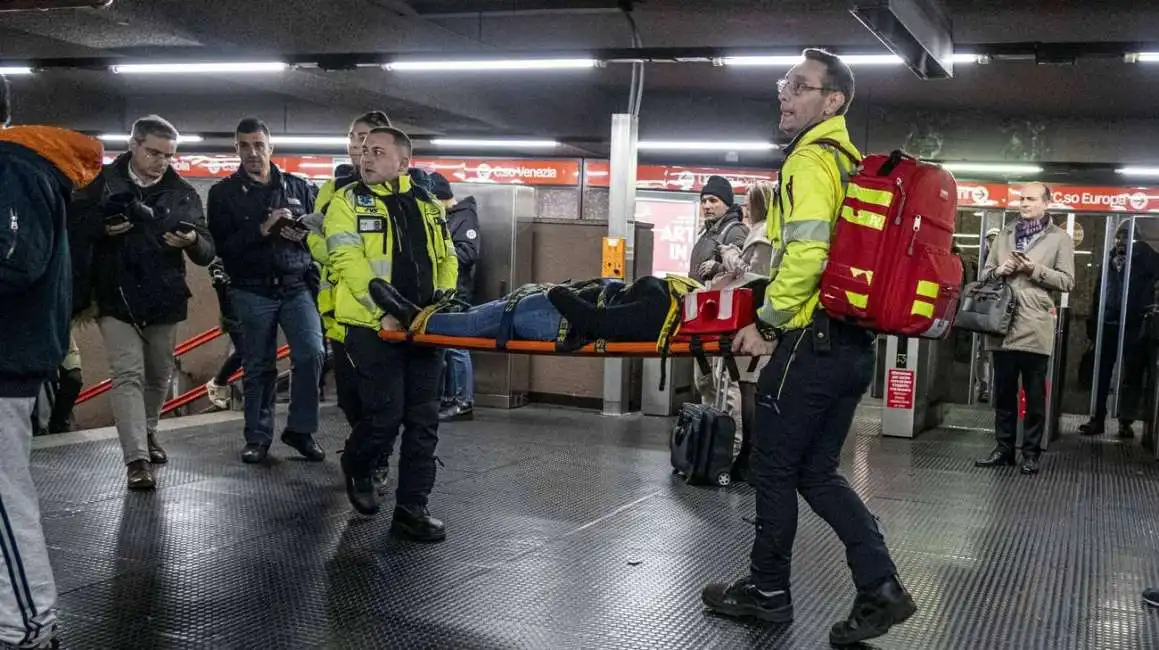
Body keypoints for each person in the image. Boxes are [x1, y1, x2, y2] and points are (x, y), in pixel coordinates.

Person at [700, 49, 916, 647]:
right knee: (816, 473)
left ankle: (767, 592)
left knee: (773, 467)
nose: (785, 94)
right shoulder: (851, 162)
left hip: (810, 341)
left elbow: (809, 255)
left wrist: (767, 323)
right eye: (783, 84)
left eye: (800, 86)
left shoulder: (810, 163)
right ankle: (880, 588)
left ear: (833, 101)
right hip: (850, 346)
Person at [0, 73, 105, 650]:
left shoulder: (12, 168)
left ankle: (26, 628)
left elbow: (16, 262)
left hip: (5, 360)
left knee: (3, 504)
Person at [325, 127, 457, 540]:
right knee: (385, 416)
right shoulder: (346, 203)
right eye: (363, 151)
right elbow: (348, 262)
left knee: (423, 422)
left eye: (377, 152)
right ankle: (358, 463)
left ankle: (411, 509)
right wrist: (383, 312)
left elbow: (448, 257)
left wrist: (442, 303)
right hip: (372, 327)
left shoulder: (427, 202)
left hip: (424, 328)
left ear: (403, 162)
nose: (366, 158)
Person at [70, 115, 215, 490]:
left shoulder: (182, 192)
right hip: (114, 295)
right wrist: (102, 229)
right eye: (153, 151)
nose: (161, 161)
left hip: (165, 295)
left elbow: (206, 250)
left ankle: (148, 432)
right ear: (132, 145)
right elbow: (72, 228)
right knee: (127, 375)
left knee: (157, 375)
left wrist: (191, 242)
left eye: (168, 155)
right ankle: (136, 458)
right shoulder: (98, 183)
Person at [207, 117, 326, 464]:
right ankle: (257, 437)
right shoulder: (223, 194)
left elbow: (319, 235)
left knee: (312, 353)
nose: (252, 152)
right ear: (236, 149)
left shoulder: (300, 187)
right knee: (259, 366)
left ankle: (301, 430)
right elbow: (221, 247)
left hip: (296, 287)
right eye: (244, 146)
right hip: (251, 290)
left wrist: (302, 234)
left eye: (258, 145)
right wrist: (263, 228)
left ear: (270, 147)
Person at [304, 110, 393, 490]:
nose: (359, 145)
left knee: (382, 398)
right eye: (354, 136)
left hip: (381, 311)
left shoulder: (394, 188)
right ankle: (366, 449)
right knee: (351, 398)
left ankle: (375, 461)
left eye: (367, 139)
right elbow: (315, 238)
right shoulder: (334, 186)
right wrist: (334, 254)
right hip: (339, 310)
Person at [974, 182, 1075, 475]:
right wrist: (998, 271)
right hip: (1001, 325)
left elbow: (1068, 282)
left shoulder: (1059, 239)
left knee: (1033, 396)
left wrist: (1033, 270)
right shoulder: (1005, 234)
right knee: (1003, 393)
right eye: (1022, 198)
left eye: (1031, 199)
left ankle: (1030, 453)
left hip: (1034, 326)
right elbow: (984, 272)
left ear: (1046, 203)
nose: (1025, 203)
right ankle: (1004, 449)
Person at [712, 180, 776, 479]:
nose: (746, 212)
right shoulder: (777, 231)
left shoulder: (762, 234)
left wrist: (728, 259)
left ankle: (748, 457)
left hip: (752, 324)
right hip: (766, 326)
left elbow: (753, 278)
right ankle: (753, 455)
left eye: (750, 206)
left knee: (746, 389)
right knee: (752, 389)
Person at [1080, 224, 1159, 438]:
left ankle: (1126, 420)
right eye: (1118, 238)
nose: (1121, 242)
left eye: (1127, 238)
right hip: (1108, 325)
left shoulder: (1147, 259)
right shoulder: (1110, 259)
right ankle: (1097, 417)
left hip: (1134, 325)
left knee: (1131, 375)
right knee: (1101, 373)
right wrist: (1093, 325)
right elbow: (1099, 292)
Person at [427, 172, 481, 422]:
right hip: (444, 290)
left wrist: (439, 253)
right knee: (446, 346)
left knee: (458, 346)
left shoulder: (464, 217)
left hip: (457, 291)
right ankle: (450, 398)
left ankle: (463, 401)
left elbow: (468, 252)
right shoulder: (448, 217)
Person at [689, 175, 747, 284]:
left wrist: (718, 268)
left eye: (713, 200)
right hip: (703, 298)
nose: (706, 206)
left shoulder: (735, 231)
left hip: (720, 299)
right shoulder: (708, 232)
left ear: (727, 204)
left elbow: (746, 272)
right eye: (704, 201)